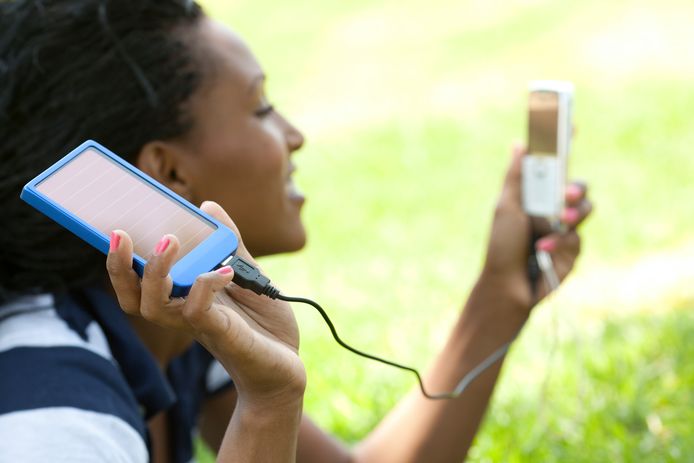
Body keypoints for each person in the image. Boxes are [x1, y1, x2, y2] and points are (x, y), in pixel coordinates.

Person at [0, 1, 592, 462]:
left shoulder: (171, 329)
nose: (294, 134)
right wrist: (266, 405)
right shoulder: (53, 408)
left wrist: (500, 293)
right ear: (166, 172)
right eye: (260, 108)